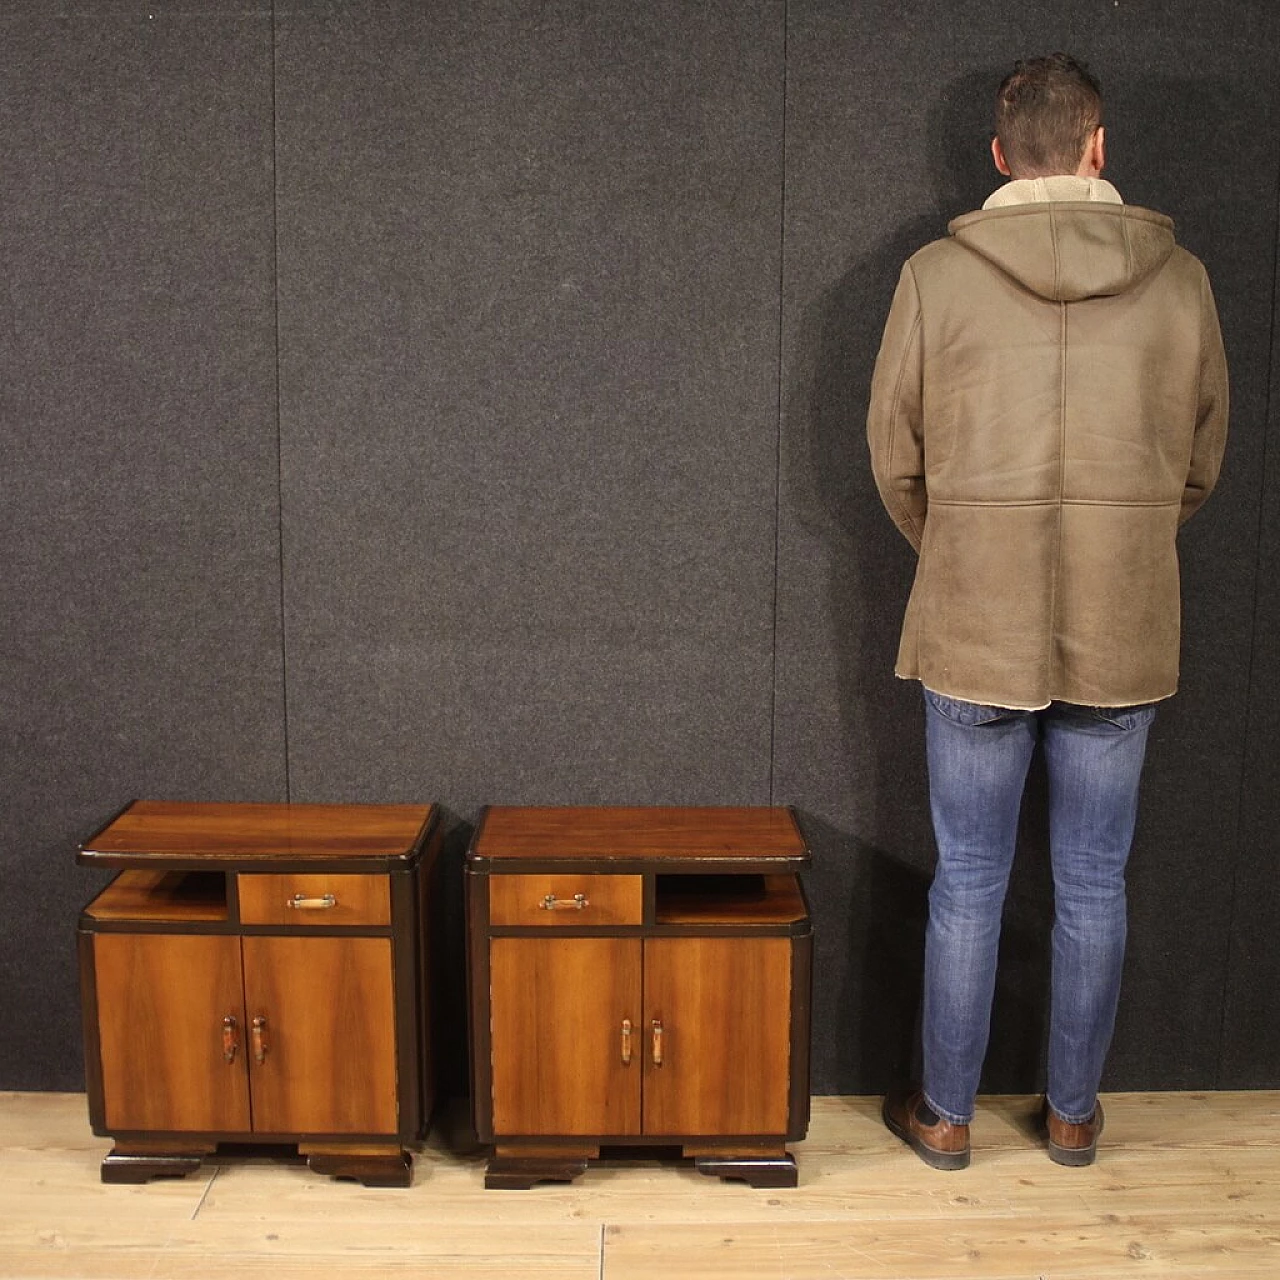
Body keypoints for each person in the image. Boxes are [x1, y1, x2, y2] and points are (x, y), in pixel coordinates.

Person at [866, 53, 1228, 1170]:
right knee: (1092, 881)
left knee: (966, 880)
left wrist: (966, 549)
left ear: (996, 155)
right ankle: (1070, 1114)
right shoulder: (1181, 283)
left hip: (974, 619)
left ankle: (946, 1114)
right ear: (1095, 145)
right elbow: (1199, 461)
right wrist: (1120, 545)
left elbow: (893, 457)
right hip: (1122, 620)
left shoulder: (934, 275)